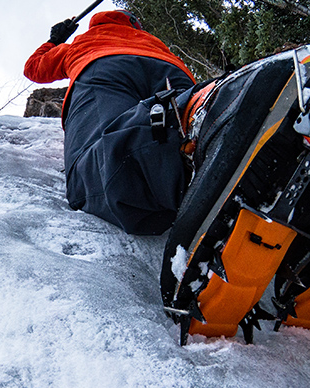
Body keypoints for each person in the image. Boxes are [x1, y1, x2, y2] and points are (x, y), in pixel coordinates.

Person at [24, 10, 196, 235]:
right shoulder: (151, 40)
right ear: (134, 24)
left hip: (102, 67)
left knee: (93, 161)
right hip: (170, 70)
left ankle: (142, 186)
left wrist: (55, 40)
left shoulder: (82, 41)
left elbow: (34, 68)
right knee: (191, 118)